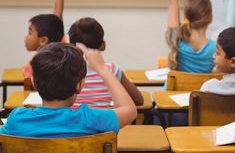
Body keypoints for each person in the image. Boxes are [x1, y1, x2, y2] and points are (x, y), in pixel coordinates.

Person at [0, 43, 137, 137]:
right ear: (80, 85)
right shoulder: (91, 119)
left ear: (34, 83)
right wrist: (102, 69)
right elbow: (130, 110)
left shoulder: (17, 120)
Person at [68, 17, 144, 108]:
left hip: (74, 121)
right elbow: (139, 100)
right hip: (104, 121)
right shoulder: (111, 70)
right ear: (103, 45)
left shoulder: (64, 70)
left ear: (70, 47)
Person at [22, 0, 70, 78]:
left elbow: (57, 12)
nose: (26, 37)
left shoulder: (33, 66)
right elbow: (57, 12)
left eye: (30, 33)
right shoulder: (61, 50)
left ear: (43, 40)